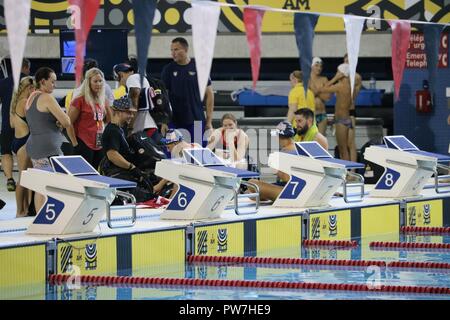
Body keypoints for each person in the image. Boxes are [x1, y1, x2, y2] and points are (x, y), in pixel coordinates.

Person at [25, 67, 71, 212]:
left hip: (34, 146)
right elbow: (66, 122)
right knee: (56, 186)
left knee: (41, 186)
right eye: (52, 82)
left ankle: (40, 218)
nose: (55, 85)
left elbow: (39, 120)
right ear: (43, 82)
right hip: (49, 147)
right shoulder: (46, 97)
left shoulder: (30, 98)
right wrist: (59, 121)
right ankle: (53, 217)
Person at [161, 37, 214, 146]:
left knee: (199, 155)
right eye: (171, 50)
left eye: (176, 49)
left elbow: (209, 94)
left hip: (197, 120)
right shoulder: (168, 69)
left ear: (185, 49)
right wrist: (164, 121)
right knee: (174, 155)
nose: (173, 53)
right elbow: (163, 97)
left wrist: (209, 121)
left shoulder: (199, 67)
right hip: (174, 121)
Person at [101, 96, 153, 199]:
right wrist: (132, 167)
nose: (131, 116)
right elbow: (113, 155)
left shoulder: (121, 128)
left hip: (123, 172)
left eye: (132, 113)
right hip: (116, 174)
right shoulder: (112, 131)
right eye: (128, 113)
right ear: (119, 112)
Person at [66, 68, 111, 169]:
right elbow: (68, 123)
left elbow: (108, 120)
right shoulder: (79, 100)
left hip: (99, 143)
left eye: (100, 81)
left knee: (98, 174)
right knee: (84, 175)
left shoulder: (102, 100)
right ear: (88, 83)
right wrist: (75, 144)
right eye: (95, 81)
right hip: (83, 142)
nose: (98, 84)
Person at [0, 58, 31, 191]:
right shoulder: (30, 82)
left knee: (6, 152)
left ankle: (9, 178)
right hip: (25, 125)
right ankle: (23, 180)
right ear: (26, 68)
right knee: (24, 153)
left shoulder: (3, 83)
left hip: (7, 124)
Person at [246, 121, 296, 202]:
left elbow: (288, 178)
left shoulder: (286, 151)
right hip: (294, 189)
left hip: (292, 192)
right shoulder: (296, 147)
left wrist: (276, 169)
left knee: (252, 184)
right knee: (252, 193)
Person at [113, 63, 159, 140]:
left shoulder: (132, 79)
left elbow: (134, 104)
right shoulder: (139, 79)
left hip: (143, 128)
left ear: (120, 75)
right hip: (149, 126)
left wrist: (130, 128)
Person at [9, 76, 34, 217]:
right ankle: (20, 211)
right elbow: (34, 121)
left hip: (17, 140)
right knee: (24, 178)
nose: (34, 90)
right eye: (33, 88)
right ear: (27, 88)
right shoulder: (25, 102)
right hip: (24, 142)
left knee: (25, 177)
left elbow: (12, 124)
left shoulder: (15, 103)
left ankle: (24, 208)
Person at [317, 64, 352, 160]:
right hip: (344, 119)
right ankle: (346, 172)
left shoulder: (340, 86)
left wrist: (335, 78)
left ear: (342, 73)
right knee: (343, 149)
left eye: (338, 72)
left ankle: (347, 173)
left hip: (341, 121)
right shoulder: (348, 85)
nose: (336, 74)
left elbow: (322, 89)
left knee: (343, 149)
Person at [152, 129, 200, 198]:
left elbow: (176, 174)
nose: (168, 150)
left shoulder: (179, 148)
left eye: (168, 147)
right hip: (203, 180)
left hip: (196, 181)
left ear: (175, 143)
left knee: (178, 179)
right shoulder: (195, 145)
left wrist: (159, 185)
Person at [343, 54, 362, 163]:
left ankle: (353, 170)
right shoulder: (340, 76)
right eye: (345, 61)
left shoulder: (356, 77)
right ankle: (345, 171)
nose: (347, 64)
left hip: (350, 113)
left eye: (349, 61)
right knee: (342, 144)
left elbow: (353, 95)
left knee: (350, 143)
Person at [308, 57, 331, 136]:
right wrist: (321, 90)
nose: (319, 68)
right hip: (309, 115)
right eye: (316, 65)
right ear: (311, 66)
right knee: (309, 141)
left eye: (321, 66)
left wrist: (315, 90)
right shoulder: (306, 79)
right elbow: (308, 96)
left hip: (322, 114)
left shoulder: (324, 79)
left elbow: (327, 97)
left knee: (321, 142)